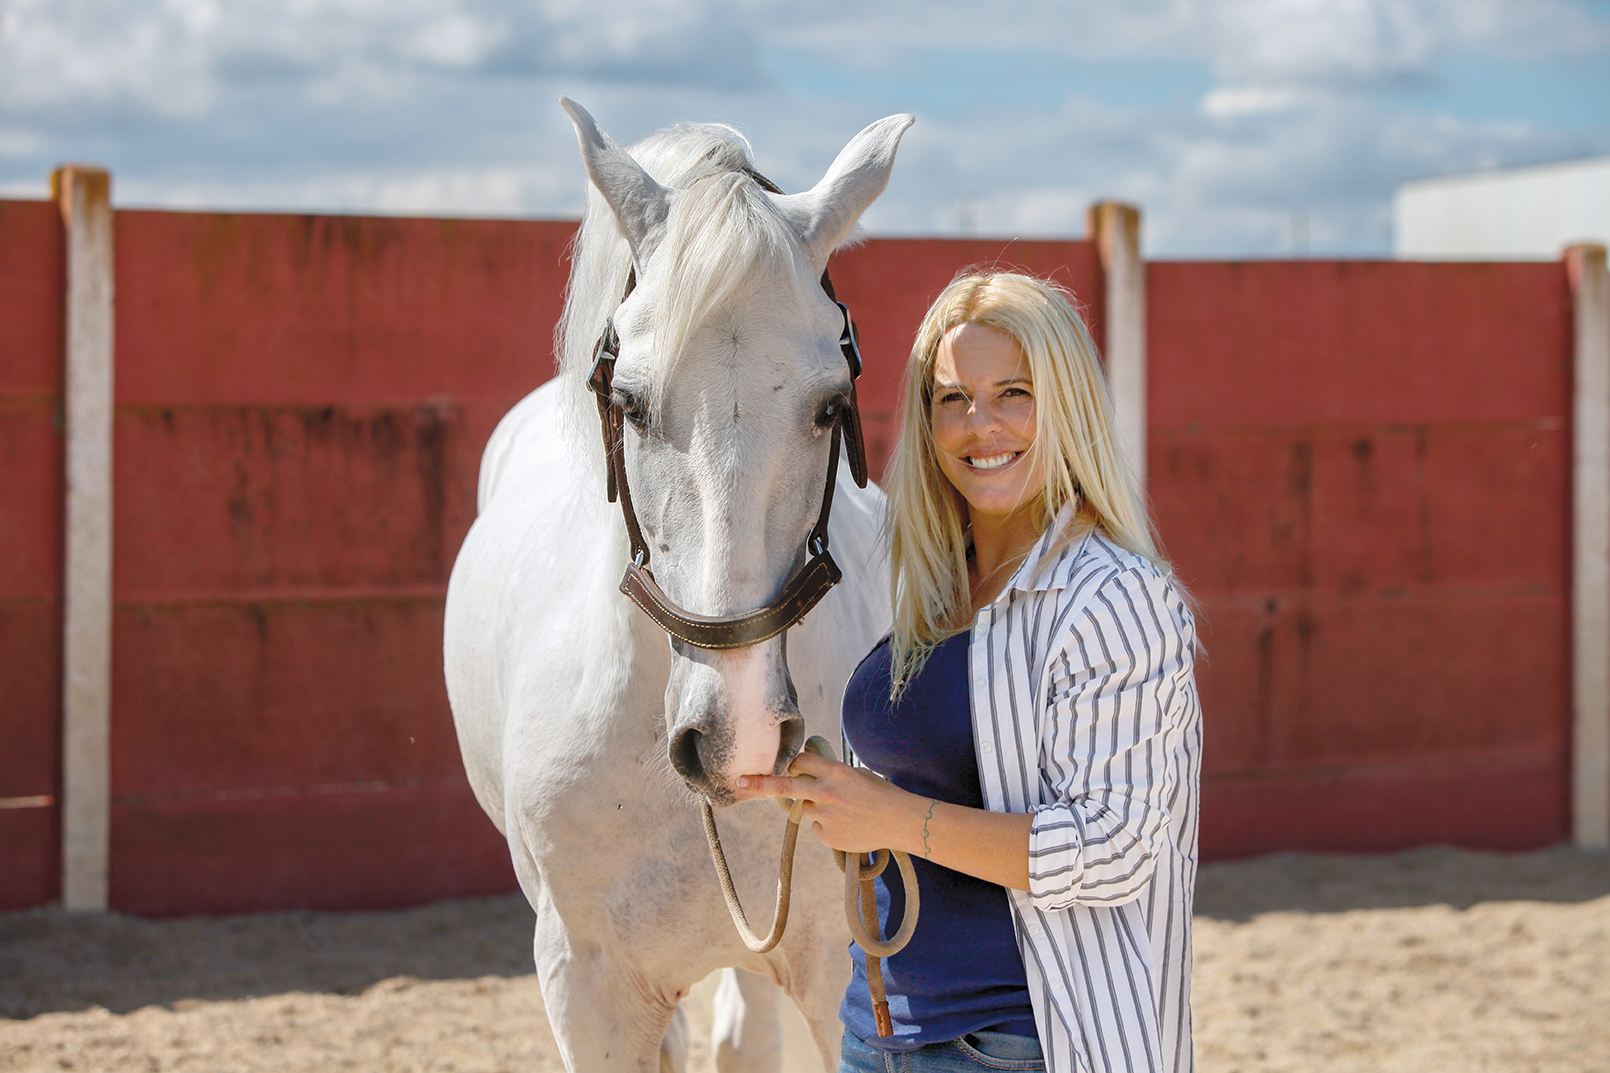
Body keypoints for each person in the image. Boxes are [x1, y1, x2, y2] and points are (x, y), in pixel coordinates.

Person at [737, 271, 1202, 1073]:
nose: (978, 425)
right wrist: (829, 791)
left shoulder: (1113, 597)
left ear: (1068, 403)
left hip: (1014, 1044)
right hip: (877, 1031)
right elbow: (930, 781)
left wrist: (893, 817)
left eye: (1012, 392)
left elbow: (1113, 847)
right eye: (951, 399)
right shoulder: (937, 585)